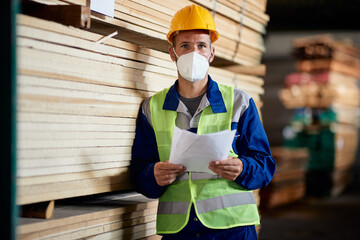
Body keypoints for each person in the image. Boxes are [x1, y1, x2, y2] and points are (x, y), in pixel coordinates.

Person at [131, 4, 276, 240]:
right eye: (185, 46)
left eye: (201, 46)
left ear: (211, 53)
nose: (193, 53)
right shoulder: (152, 108)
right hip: (180, 232)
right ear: (172, 53)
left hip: (233, 230)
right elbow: (138, 172)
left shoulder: (240, 102)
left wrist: (242, 168)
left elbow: (265, 166)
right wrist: (152, 176)